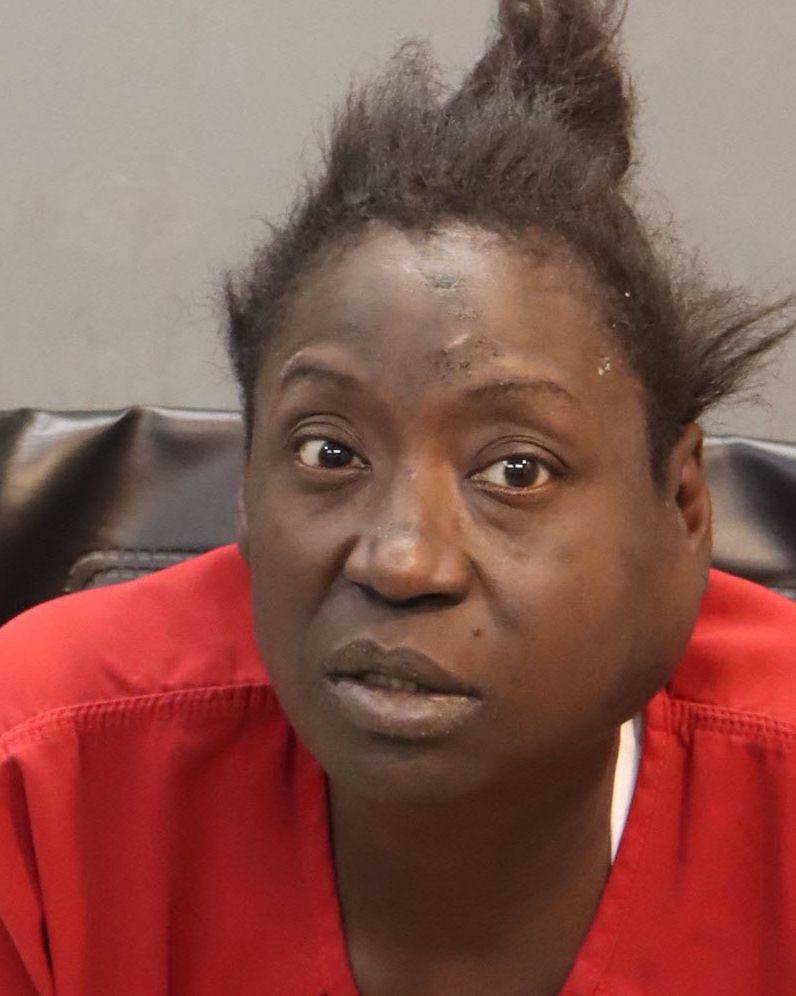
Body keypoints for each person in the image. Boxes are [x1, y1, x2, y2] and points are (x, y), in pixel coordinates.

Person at [1, 1, 795, 993]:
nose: (402, 558)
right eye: (329, 451)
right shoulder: (38, 776)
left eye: (515, 471)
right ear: (245, 491)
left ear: (683, 508)